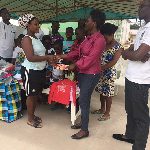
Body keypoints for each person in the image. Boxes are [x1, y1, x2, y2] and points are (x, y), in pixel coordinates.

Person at [56, 9, 106, 139]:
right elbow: (77, 53)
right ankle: (83, 122)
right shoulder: (88, 38)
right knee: (83, 99)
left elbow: (90, 59)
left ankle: (84, 130)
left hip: (92, 74)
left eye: (88, 20)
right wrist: (62, 55)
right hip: (83, 72)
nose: (85, 23)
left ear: (94, 23)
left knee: (84, 99)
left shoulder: (99, 40)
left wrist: (74, 65)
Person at [113, 0, 150, 149]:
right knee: (130, 111)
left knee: (141, 117)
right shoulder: (143, 28)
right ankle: (129, 135)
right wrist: (132, 53)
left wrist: (133, 54)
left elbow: (135, 54)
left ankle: (138, 146)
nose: (139, 9)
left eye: (142, 6)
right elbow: (131, 51)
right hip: (131, 76)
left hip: (140, 80)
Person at [18, 14, 54, 128]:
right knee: (31, 95)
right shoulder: (26, 39)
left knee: (35, 95)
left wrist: (50, 59)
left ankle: (32, 116)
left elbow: (41, 54)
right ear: (28, 26)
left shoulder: (36, 38)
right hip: (31, 71)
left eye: (38, 24)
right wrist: (47, 58)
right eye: (36, 24)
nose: (38, 26)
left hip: (39, 71)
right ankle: (30, 119)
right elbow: (30, 57)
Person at [93, 23, 123, 121]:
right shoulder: (104, 44)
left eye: (105, 38)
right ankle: (102, 109)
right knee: (102, 91)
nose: (104, 40)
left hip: (109, 73)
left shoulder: (119, 47)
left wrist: (101, 68)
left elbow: (114, 61)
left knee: (109, 93)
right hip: (100, 72)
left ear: (111, 35)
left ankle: (107, 112)